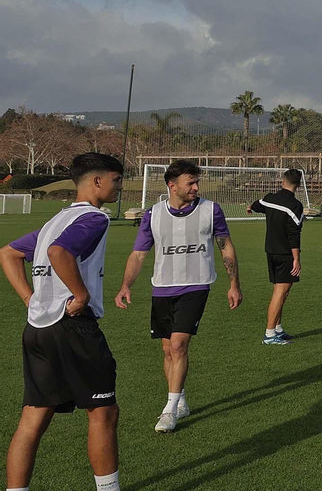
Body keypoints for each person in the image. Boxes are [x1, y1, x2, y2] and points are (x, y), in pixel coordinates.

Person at [0, 153, 160, 491]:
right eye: (117, 180)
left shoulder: (55, 219)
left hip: (38, 328)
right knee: (103, 411)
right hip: (72, 328)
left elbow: (8, 253)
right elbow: (59, 254)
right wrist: (80, 292)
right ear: (98, 182)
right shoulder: (94, 217)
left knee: (33, 416)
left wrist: (30, 300)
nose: (120, 187)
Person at [116, 160, 242, 433]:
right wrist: (126, 285)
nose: (196, 187)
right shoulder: (153, 214)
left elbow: (226, 247)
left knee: (178, 346)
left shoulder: (211, 210)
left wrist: (234, 284)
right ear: (172, 186)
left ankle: (169, 410)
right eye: (191, 183)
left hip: (196, 287)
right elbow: (139, 254)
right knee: (166, 349)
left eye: (197, 182)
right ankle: (180, 397)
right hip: (161, 288)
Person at [246, 168, 304, 345]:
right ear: (298, 185)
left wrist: (250, 207)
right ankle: (270, 334)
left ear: (282, 182)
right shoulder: (295, 206)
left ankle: (277, 329)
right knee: (281, 292)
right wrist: (296, 258)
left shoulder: (269, 198)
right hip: (285, 254)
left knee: (282, 291)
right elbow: (294, 234)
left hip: (270, 252)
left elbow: (256, 205)